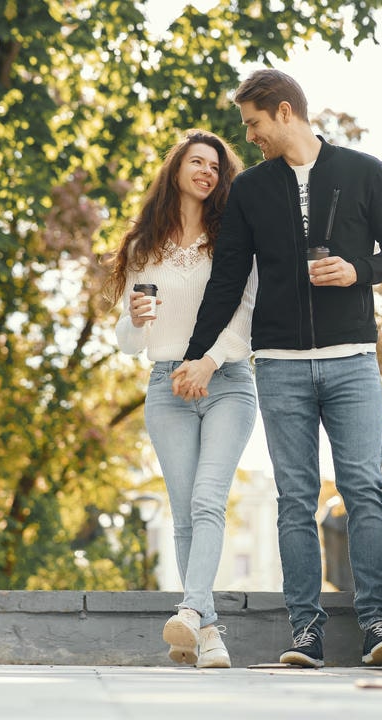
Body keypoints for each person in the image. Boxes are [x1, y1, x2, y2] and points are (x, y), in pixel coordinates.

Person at [171, 69, 382, 668]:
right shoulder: (251, 191)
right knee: (295, 498)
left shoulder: (366, 171)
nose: (248, 136)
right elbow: (229, 279)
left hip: (352, 360)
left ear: (283, 112)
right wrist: (198, 355)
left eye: (253, 123)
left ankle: (376, 621)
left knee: (363, 489)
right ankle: (305, 631)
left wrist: (357, 270)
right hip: (279, 366)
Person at [104, 129, 258, 669]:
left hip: (227, 380)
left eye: (215, 166)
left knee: (209, 499)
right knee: (185, 514)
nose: (207, 172)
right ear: (176, 171)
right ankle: (208, 632)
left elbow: (244, 314)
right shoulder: (144, 247)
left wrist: (208, 363)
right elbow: (126, 341)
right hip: (166, 384)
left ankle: (190, 612)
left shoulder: (233, 237)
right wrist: (133, 319)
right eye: (196, 162)